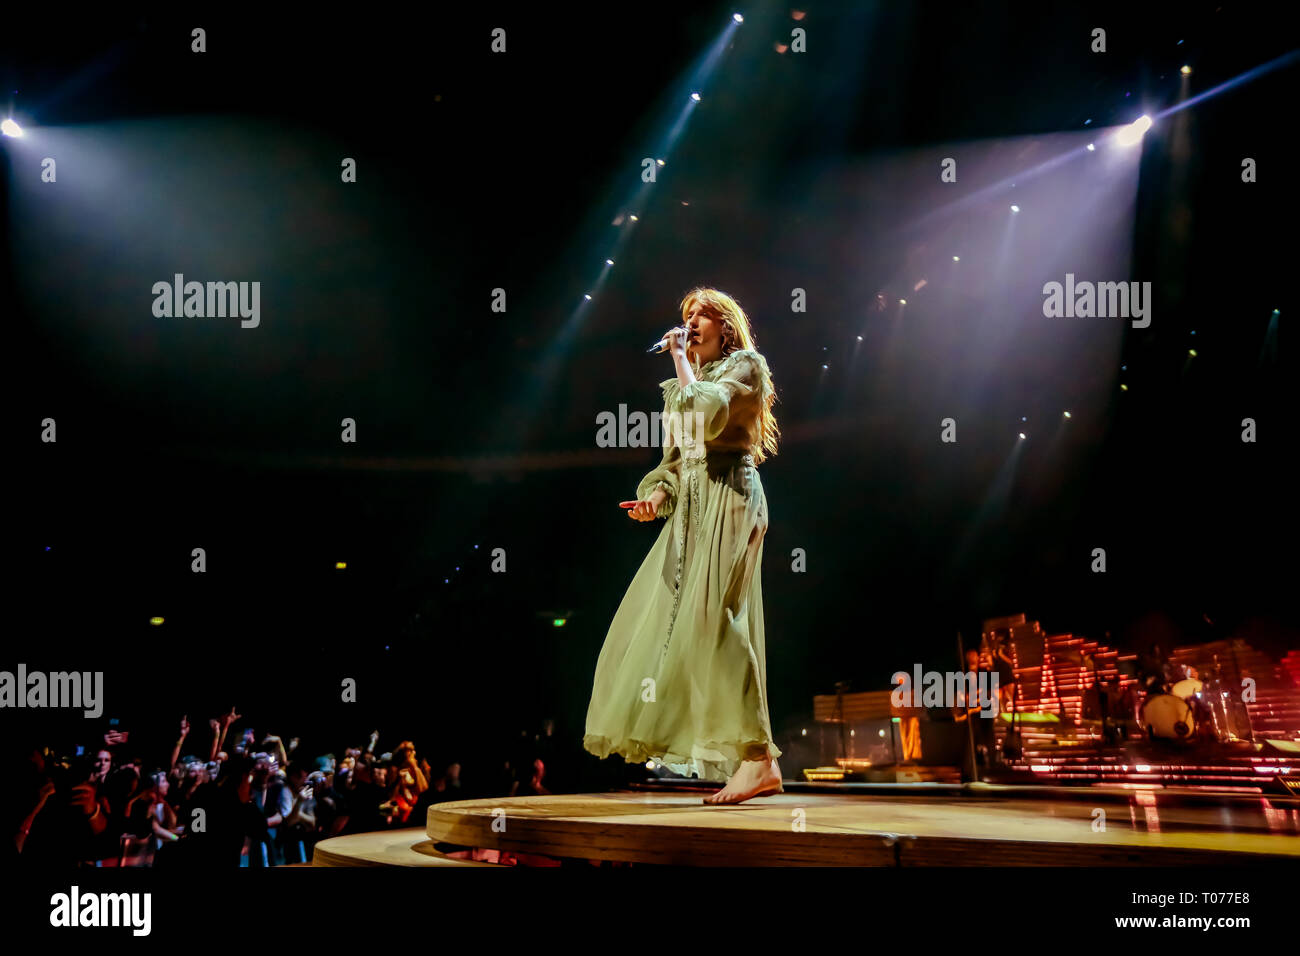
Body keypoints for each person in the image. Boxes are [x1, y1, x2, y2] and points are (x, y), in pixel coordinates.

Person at [584, 287, 784, 805]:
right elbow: (674, 461)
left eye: (702, 315)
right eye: (686, 317)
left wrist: (678, 359)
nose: (691, 323)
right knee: (681, 628)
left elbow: (706, 414)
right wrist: (655, 496)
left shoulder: (747, 365)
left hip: (732, 497)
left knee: (717, 620)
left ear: (726, 325)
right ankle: (751, 756)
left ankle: (759, 759)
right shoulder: (682, 384)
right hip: (692, 511)